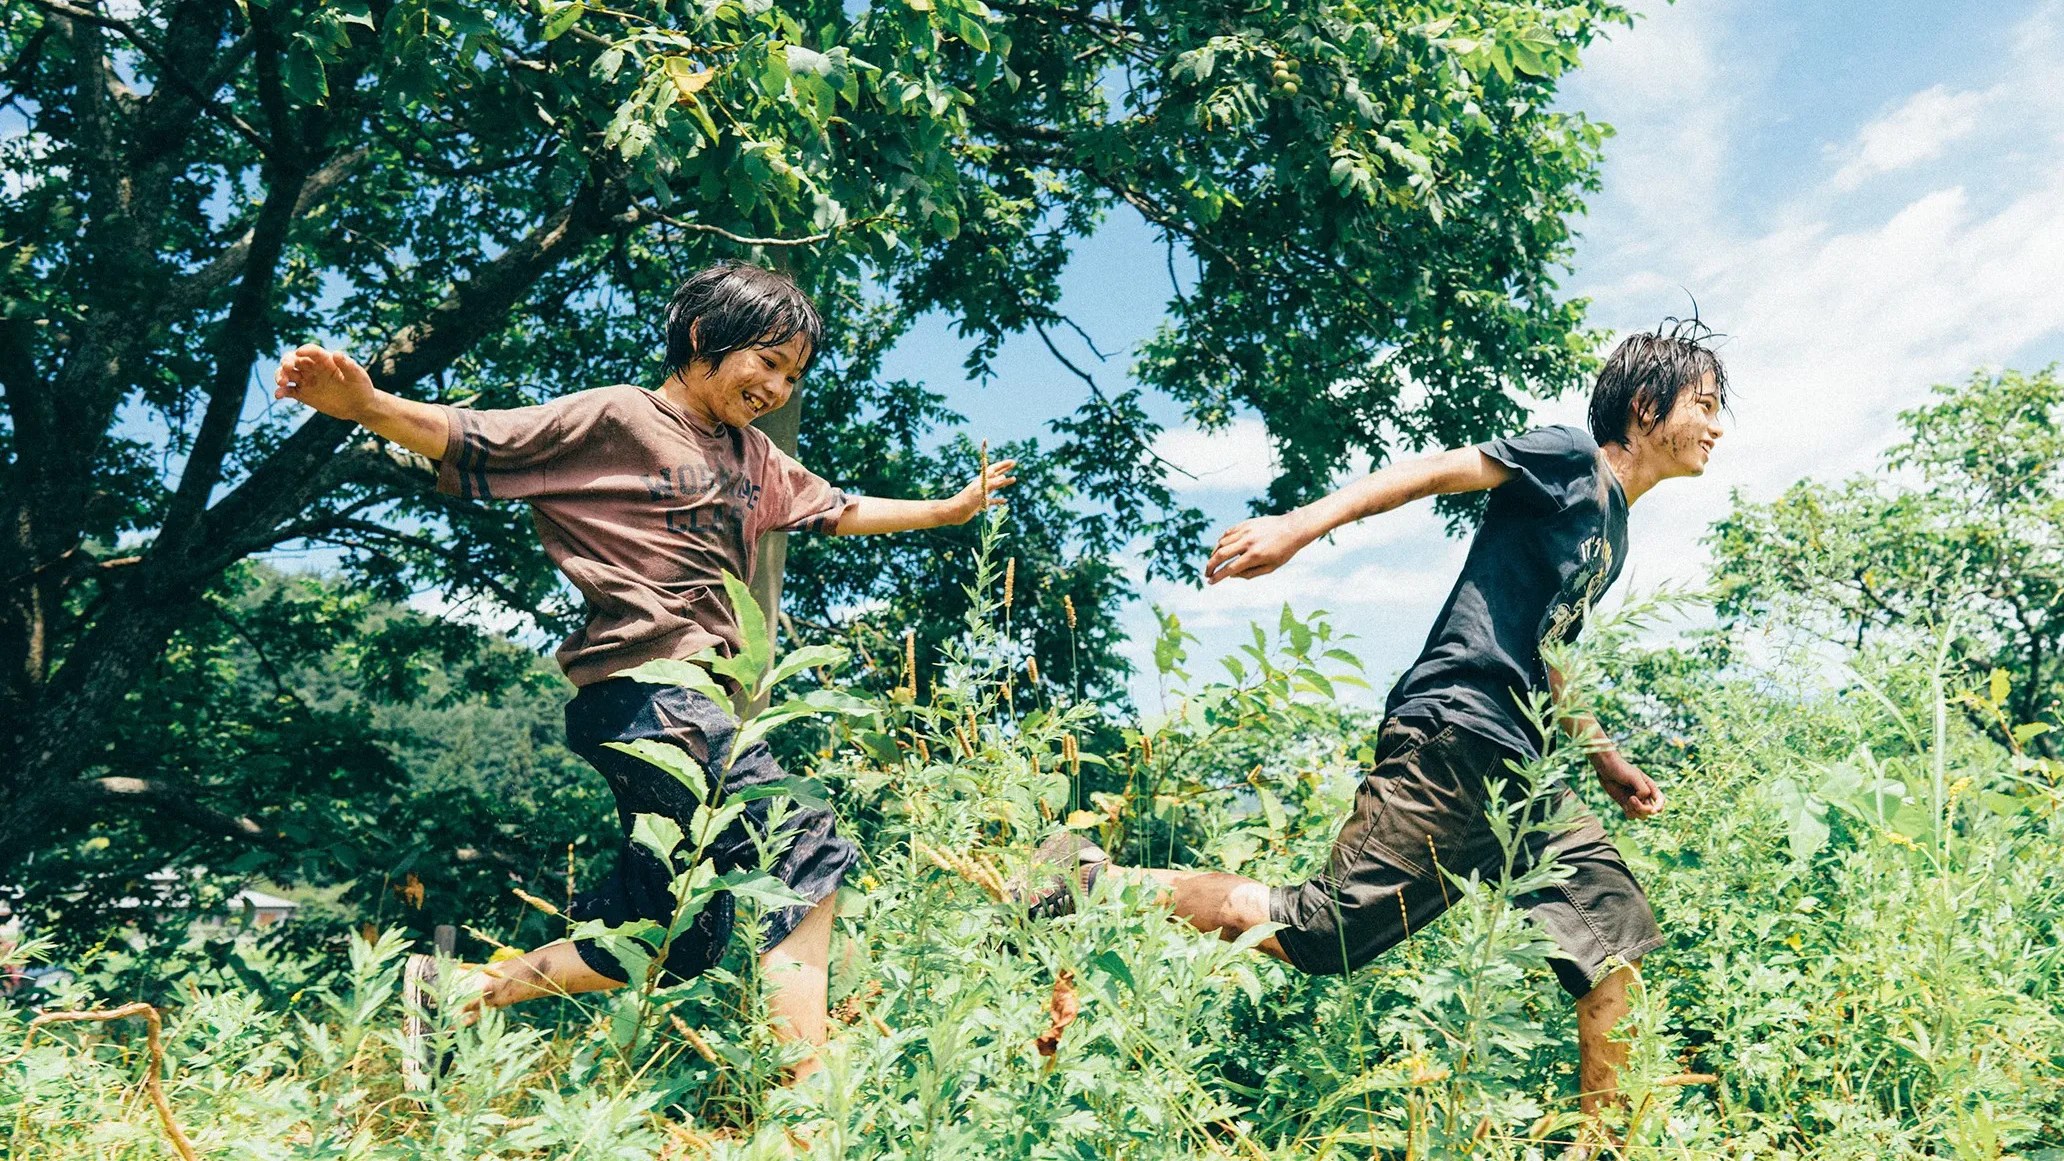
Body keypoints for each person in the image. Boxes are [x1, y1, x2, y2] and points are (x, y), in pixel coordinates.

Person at [274, 261, 1016, 1086]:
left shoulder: (755, 458)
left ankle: (460, 990)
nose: (776, 385)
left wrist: (951, 510)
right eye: (765, 361)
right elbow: (481, 435)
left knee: (674, 933)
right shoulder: (620, 416)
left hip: (675, 708)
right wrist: (367, 406)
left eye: (793, 374)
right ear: (704, 338)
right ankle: (810, 1105)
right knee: (803, 843)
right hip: (647, 695)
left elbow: (837, 509)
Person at [1026, 320, 1728, 1121]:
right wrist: (1298, 527)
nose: (1715, 427)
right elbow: (1436, 473)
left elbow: (1552, 650)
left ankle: (1602, 1142)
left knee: (1616, 935)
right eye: (1703, 404)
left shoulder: (1614, 527)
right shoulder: (1570, 458)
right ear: (1645, 407)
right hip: (1457, 735)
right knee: (1320, 933)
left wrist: (1605, 758)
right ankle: (1087, 878)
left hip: (1524, 768)